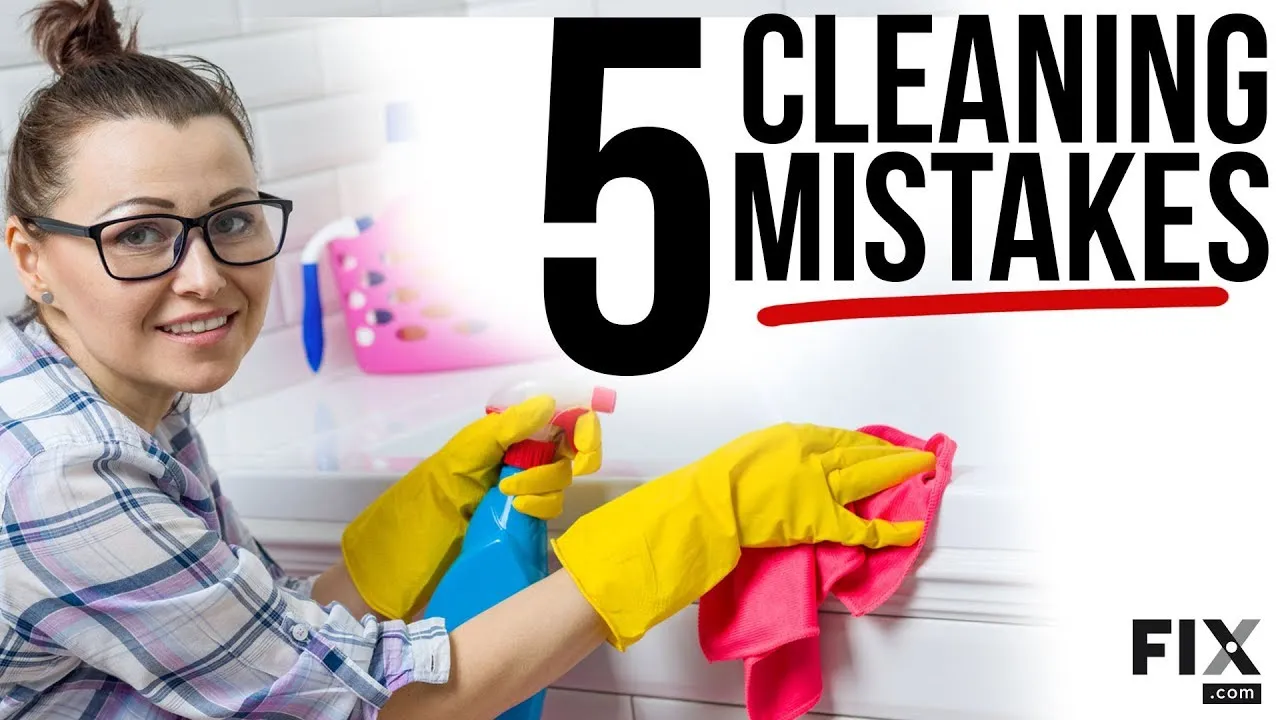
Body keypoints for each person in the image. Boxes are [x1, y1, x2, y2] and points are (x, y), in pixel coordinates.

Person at [0, 2, 938, 718]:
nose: (204, 276)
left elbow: (273, 658)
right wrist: (694, 519)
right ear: (31, 257)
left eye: (232, 221)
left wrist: (423, 514)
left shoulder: (116, 398)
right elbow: (362, 710)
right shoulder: (59, 475)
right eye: (139, 234)